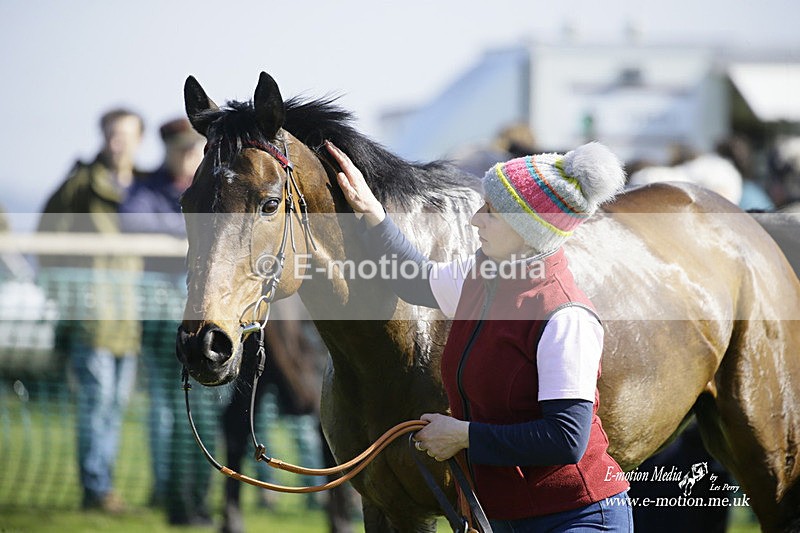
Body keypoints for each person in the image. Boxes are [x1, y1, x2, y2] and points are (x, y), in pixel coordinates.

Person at [325, 140, 633, 531]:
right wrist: (374, 215)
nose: (475, 220)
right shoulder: (483, 276)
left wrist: (464, 435)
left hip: (577, 517)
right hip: (506, 516)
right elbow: (416, 279)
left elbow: (566, 438)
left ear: (525, 231)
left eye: (490, 211)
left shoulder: (565, 316)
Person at [38, 107, 146, 513]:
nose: (116, 143)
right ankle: (96, 488)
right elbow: (46, 239)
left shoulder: (142, 189)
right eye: (110, 134)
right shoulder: (80, 184)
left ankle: (103, 484)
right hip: (91, 318)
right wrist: (68, 295)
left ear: (139, 139)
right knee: (96, 403)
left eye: (125, 135)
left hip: (131, 317)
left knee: (116, 405)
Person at [119, 117, 219, 526]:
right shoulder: (146, 191)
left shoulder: (213, 188)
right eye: (181, 148)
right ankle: (177, 500)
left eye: (193, 148)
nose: (188, 155)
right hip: (164, 319)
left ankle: (197, 500)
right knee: (175, 413)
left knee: (205, 413)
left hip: (206, 316)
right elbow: (133, 222)